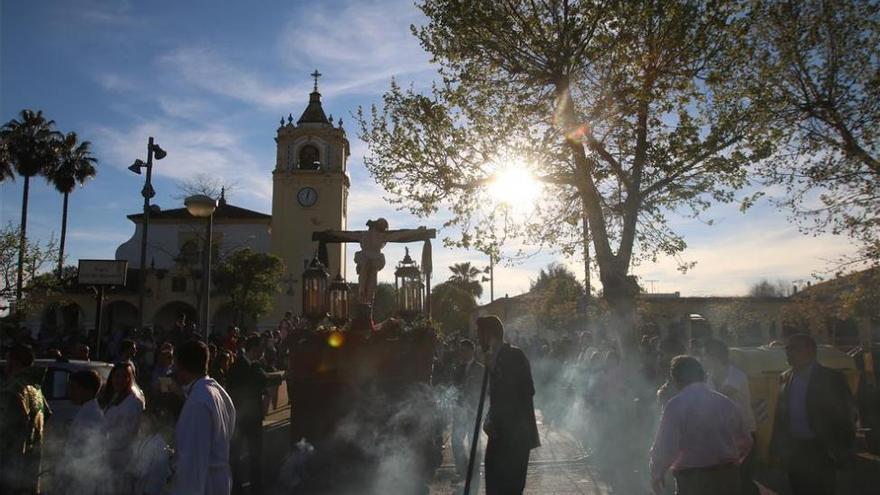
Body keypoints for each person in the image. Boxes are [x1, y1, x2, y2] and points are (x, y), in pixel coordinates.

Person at [650, 355, 752, 495]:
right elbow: (746, 441)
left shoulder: (676, 405)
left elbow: (666, 447)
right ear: (702, 375)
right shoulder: (726, 403)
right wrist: (731, 461)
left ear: (676, 380)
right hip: (728, 476)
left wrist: (657, 473)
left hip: (694, 480)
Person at [769, 334, 856, 495]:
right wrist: (776, 449)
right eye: (787, 349)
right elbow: (780, 415)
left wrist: (841, 450)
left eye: (792, 349)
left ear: (809, 350)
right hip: (795, 450)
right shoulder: (785, 377)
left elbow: (846, 416)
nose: (787, 353)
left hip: (820, 449)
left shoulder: (831, 378)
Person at [477, 315, 540, 495]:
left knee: (510, 488)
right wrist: (490, 419)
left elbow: (527, 390)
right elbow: (495, 399)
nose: (477, 339)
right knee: (495, 486)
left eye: (480, 334)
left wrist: (500, 420)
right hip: (499, 435)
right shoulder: (493, 359)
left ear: (490, 334)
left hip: (515, 436)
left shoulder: (514, 355)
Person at [172, 340, 236, 495]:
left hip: (205, 484)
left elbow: (193, 460)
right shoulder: (215, 390)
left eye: (175, 365)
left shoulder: (198, 402)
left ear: (182, 366)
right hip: (218, 480)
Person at [701, 338, 758, 495]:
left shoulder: (737, 376)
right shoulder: (709, 378)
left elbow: (719, 399)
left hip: (743, 434)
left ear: (715, 356)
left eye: (705, 355)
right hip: (722, 436)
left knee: (743, 479)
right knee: (728, 481)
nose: (702, 358)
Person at [0, 343, 47, 495]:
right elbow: (48, 413)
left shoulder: (14, 389)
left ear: (14, 362)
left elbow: (6, 426)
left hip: (11, 464)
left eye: (7, 360)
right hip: (31, 460)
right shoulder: (35, 388)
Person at [227, 335, 269, 495]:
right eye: (260, 347)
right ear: (254, 348)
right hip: (240, 417)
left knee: (256, 454)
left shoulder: (255, 366)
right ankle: (236, 488)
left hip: (254, 417)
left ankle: (256, 487)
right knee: (235, 455)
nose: (262, 351)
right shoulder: (238, 365)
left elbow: (263, 380)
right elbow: (235, 388)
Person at [102, 361, 146, 493]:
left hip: (123, 458)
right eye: (116, 376)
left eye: (124, 376)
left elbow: (127, 433)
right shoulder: (115, 397)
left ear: (130, 378)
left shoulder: (133, 402)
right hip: (110, 457)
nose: (119, 380)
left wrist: (105, 445)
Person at [61, 369, 105, 495]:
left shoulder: (91, 415)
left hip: (82, 479)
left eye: (75, 388)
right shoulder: (87, 411)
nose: (70, 392)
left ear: (89, 391)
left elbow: (85, 452)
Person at [450, 339, 485, 492]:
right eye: (460, 351)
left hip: (472, 411)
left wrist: (474, 405)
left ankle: (474, 472)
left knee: (474, 442)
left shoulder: (480, 369)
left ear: (471, 351)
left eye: (464, 350)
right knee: (456, 441)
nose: (461, 353)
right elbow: (454, 388)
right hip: (460, 411)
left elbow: (482, 390)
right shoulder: (458, 368)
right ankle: (463, 471)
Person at [128, 406, 174, 495]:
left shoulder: (155, 443)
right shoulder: (149, 439)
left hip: (150, 490)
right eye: (140, 421)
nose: (141, 424)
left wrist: (128, 469)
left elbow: (141, 470)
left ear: (152, 423)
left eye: (144, 422)